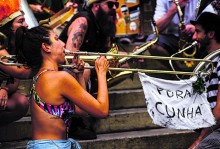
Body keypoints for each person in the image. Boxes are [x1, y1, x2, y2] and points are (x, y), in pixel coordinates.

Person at [15, 25, 109, 148]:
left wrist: (79, 75)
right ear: (46, 47)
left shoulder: (41, 76)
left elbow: (82, 111)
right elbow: (102, 111)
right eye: (57, 39)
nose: (63, 43)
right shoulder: (59, 78)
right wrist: (101, 73)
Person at [59, 0, 118, 139]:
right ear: (96, 6)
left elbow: (107, 51)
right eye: (110, 4)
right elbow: (70, 55)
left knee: (124, 65)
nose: (114, 8)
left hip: (89, 68)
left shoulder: (105, 23)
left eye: (116, 4)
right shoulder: (82, 21)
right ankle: (74, 122)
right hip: (66, 69)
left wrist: (130, 56)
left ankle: (89, 101)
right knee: (83, 69)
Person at [188, 12, 220, 149]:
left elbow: (219, 112)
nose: (194, 37)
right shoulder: (209, 62)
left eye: (198, 32)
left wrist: (198, 141)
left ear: (211, 34)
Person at [146, 0, 215, 57]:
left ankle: (207, 68)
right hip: (171, 37)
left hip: (195, 37)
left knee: (211, 37)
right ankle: (175, 70)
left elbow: (211, 23)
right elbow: (156, 29)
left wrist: (194, 28)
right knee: (151, 42)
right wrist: (173, 9)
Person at [0, 0, 30, 125]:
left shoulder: (15, 47)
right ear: (8, 27)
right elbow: (21, 72)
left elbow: (16, 79)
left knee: (21, 102)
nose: (27, 25)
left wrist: (4, 89)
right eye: (21, 21)